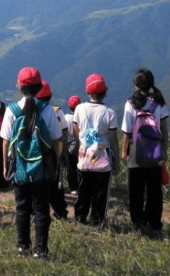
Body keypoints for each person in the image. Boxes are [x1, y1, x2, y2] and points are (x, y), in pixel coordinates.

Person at [1, 66, 62, 259]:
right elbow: (56, 139)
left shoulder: (11, 111)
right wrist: (56, 163)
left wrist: (5, 166)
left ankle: (22, 247)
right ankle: (41, 250)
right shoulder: (47, 111)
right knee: (41, 208)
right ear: (39, 87)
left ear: (19, 86)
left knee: (22, 207)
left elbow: (5, 141)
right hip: (42, 169)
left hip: (19, 167)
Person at [120, 67, 169, 238]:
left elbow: (126, 131)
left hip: (136, 152)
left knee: (136, 189)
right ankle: (154, 222)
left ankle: (138, 222)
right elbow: (163, 128)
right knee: (154, 189)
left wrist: (124, 152)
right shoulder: (159, 102)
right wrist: (164, 150)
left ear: (135, 85)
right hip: (155, 152)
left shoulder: (130, 104)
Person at [73, 74, 119, 227]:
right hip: (102, 159)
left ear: (88, 92)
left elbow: (76, 131)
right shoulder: (110, 113)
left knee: (83, 189)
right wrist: (117, 160)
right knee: (100, 192)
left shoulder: (79, 108)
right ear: (105, 92)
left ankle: (80, 217)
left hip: (84, 158)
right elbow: (113, 140)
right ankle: (97, 219)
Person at [36, 80, 69, 220]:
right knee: (55, 187)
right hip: (50, 153)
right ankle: (60, 212)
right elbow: (59, 136)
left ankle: (36, 211)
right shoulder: (54, 111)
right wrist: (61, 154)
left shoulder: (29, 109)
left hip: (34, 153)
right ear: (50, 96)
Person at [65, 95, 81, 195]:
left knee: (70, 167)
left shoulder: (66, 118)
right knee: (80, 166)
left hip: (68, 146)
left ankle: (72, 187)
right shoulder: (81, 118)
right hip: (80, 145)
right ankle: (80, 185)